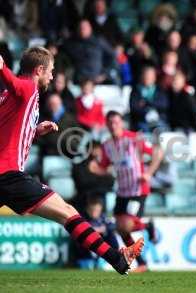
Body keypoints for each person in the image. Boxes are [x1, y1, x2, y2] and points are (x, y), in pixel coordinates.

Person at [0, 47, 143, 275]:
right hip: (8, 176)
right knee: (67, 213)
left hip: (4, 174)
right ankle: (117, 258)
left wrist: (34, 132)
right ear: (39, 70)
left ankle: (118, 258)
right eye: (51, 71)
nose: (52, 76)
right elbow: (13, 82)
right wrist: (2, 67)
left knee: (67, 212)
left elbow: (6, 129)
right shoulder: (27, 87)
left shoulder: (12, 97)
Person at [90, 111, 163, 272]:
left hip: (137, 190)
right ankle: (142, 263)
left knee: (126, 225)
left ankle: (147, 225)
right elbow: (104, 167)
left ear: (121, 123)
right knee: (120, 229)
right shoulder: (107, 145)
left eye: (116, 122)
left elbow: (158, 152)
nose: (113, 125)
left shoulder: (134, 139)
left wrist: (149, 173)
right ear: (107, 125)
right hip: (122, 191)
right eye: (110, 123)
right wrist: (96, 169)